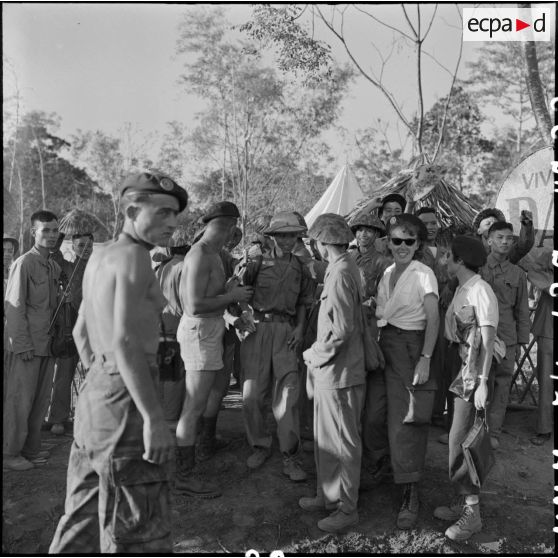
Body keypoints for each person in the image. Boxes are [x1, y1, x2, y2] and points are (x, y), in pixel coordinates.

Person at [49, 172, 187, 553]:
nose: (171, 223)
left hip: (98, 393)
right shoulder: (134, 256)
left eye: (174, 214)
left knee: (82, 517)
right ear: (130, 210)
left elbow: (81, 332)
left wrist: (103, 374)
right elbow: (125, 339)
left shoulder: (99, 256)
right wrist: (154, 420)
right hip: (127, 395)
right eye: (161, 213)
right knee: (137, 529)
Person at [174, 201, 253, 498]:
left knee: (204, 399)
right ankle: (184, 476)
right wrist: (231, 295)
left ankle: (203, 449)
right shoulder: (199, 254)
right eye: (231, 228)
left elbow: (210, 294)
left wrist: (229, 290)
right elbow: (193, 305)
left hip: (210, 329)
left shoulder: (214, 254)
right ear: (230, 226)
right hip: (198, 331)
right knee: (192, 406)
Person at [301, 213, 366, 533]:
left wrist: (313, 355)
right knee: (326, 438)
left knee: (341, 442)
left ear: (322, 243)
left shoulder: (340, 274)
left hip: (339, 371)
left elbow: (340, 330)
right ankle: (326, 495)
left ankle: (344, 507)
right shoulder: (342, 268)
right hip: (335, 371)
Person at [374, 214, 439, 529]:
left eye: (408, 241)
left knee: (408, 420)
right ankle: (384, 471)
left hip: (411, 347)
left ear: (419, 245)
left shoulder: (424, 273)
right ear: (388, 242)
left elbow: (433, 317)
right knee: (375, 412)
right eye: (396, 240)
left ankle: (410, 493)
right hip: (384, 343)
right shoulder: (387, 271)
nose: (401, 246)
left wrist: (425, 357)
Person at [237, 211, 313, 481]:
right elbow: (238, 291)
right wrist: (241, 317)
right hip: (258, 329)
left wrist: (301, 327)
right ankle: (259, 444)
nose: (287, 240)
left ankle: (290, 456)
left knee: (289, 395)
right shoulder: (256, 261)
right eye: (281, 235)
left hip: (286, 331)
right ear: (272, 237)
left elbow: (305, 301)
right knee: (253, 394)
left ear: (297, 237)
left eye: (291, 235)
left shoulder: (301, 266)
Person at [434, 235, 498, 541]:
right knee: (455, 436)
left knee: (463, 440)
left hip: (472, 373)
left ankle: (472, 514)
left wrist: (483, 383)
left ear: (460, 260)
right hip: (458, 367)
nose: (444, 261)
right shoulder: (462, 287)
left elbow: (487, 341)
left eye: (448, 256)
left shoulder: (481, 291)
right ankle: (463, 499)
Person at [3, 211, 61, 471]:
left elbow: (49, 306)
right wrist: (22, 344)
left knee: (40, 401)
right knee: (19, 401)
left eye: (54, 230)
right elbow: (14, 307)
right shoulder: (24, 263)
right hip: (27, 346)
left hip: (47, 344)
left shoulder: (54, 266)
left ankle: (30, 449)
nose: (50, 235)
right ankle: (10, 453)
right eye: (45, 230)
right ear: (33, 233)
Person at [479, 222, 529, 449]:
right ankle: (470, 430)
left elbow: (522, 310)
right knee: (477, 382)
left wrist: (521, 341)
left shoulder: (518, 274)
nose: (505, 242)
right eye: (500, 237)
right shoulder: (477, 267)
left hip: (507, 337)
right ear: (489, 240)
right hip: (479, 336)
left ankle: (493, 432)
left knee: (501, 386)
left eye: (510, 238)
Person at [47, 232, 94, 436]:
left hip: (94, 328)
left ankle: (93, 417)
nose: (85, 248)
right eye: (80, 245)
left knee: (95, 375)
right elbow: (54, 254)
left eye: (88, 245)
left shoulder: (100, 266)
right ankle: (58, 418)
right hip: (69, 326)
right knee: (64, 375)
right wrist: (58, 236)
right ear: (73, 247)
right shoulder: (65, 266)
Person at [415, 207, 452, 430]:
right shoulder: (413, 249)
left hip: (442, 313)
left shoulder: (446, 249)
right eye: (425, 223)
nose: (430, 227)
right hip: (417, 313)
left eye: (433, 223)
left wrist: (450, 286)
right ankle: (419, 410)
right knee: (418, 356)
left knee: (440, 361)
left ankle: (437, 411)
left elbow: (459, 273)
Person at [153, 225, 190, 424]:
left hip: (160, 326)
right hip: (176, 328)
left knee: (164, 375)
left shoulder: (163, 267)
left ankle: (162, 418)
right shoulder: (184, 267)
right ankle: (170, 420)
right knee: (175, 377)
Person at [521, 248, 553, 445]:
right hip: (550, 326)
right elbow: (533, 271)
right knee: (547, 379)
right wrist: (551, 284)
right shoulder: (550, 254)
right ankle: (544, 427)